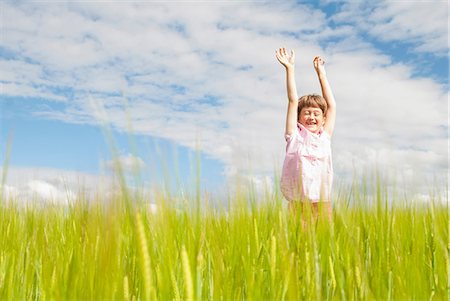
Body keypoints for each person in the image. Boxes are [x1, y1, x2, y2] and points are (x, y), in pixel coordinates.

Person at [275, 47, 336, 223]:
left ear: (323, 119)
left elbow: (331, 106)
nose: (311, 117)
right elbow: (293, 100)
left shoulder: (325, 137)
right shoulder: (294, 136)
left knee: (324, 247)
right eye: (307, 113)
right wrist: (290, 69)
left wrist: (321, 74)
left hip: (323, 204)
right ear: (298, 118)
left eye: (316, 114)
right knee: (298, 248)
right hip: (297, 205)